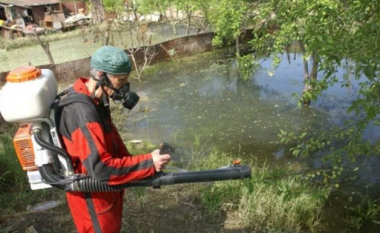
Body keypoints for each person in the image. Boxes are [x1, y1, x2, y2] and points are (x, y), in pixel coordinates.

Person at [59, 45, 171, 233]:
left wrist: (146, 165)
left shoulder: (96, 98)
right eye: (120, 80)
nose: (124, 87)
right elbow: (101, 169)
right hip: (94, 197)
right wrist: (147, 163)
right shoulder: (83, 113)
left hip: (107, 190)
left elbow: (112, 142)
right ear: (101, 75)